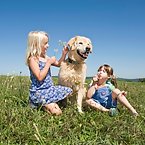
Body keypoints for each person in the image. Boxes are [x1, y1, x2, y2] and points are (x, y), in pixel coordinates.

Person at [26, 31, 72, 115]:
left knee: (69, 90)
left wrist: (64, 54)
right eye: (45, 43)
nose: (48, 45)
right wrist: (48, 63)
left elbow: (58, 64)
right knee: (57, 112)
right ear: (37, 44)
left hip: (49, 89)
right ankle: (38, 103)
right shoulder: (33, 59)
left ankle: (49, 103)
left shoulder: (46, 57)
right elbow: (39, 77)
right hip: (39, 91)